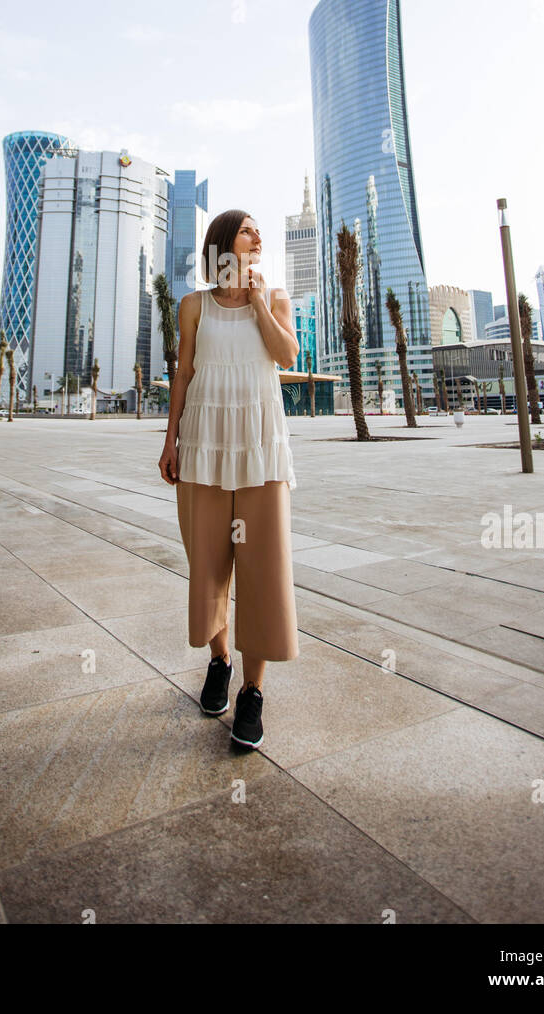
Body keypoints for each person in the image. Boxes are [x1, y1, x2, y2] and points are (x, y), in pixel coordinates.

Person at [158, 210, 300, 748]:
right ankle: (219, 661)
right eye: (247, 230)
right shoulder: (194, 305)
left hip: (261, 449)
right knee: (208, 564)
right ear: (222, 242)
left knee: (263, 570)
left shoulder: (277, 296)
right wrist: (170, 438)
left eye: (258, 231)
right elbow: (185, 372)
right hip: (202, 446)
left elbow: (285, 355)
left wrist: (259, 299)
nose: (258, 237)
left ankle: (252, 693)